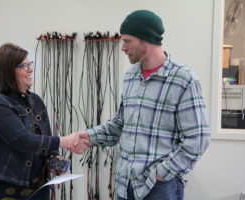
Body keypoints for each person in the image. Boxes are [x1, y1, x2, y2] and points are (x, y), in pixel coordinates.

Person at [71, 10, 210, 200]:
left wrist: (162, 173)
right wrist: (88, 137)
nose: (123, 48)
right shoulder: (131, 76)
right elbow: (120, 124)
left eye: (127, 41)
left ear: (146, 40)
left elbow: (198, 139)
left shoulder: (183, 80)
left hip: (159, 188)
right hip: (124, 184)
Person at [0, 43, 90, 200]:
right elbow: (22, 140)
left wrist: (54, 160)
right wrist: (65, 141)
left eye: (29, 64)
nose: (30, 69)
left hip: (34, 188)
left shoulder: (36, 100)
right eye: (23, 66)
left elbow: (45, 139)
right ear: (7, 72)